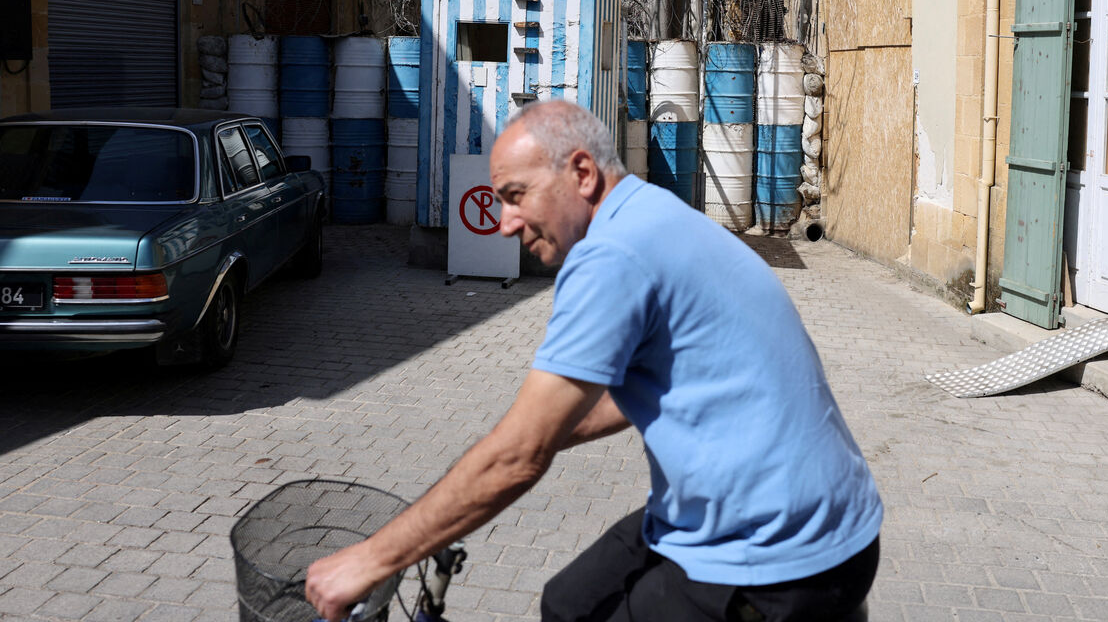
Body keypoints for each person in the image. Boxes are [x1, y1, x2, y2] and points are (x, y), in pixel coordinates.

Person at [306, 99, 883, 622]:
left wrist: (370, 559)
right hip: (824, 516)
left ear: (581, 173)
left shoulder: (610, 257)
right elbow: (652, 386)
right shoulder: (649, 210)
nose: (503, 222)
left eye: (515, 196)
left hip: (779, 557)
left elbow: (518, 459)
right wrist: (515, 446)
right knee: (568, 603)